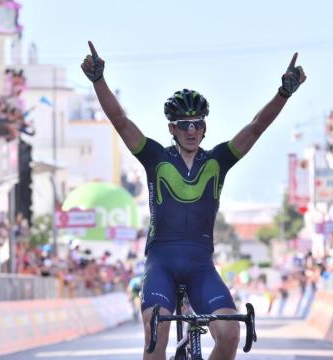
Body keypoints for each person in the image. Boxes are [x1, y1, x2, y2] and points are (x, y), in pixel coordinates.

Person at [81, 40, 306, 359]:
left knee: (229, 334)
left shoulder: (217, 160)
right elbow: (120, 120)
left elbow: (256, 128)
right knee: (155, 334)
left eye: (198, 123)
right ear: (172, 128)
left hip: (201, 264)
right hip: (162, 262)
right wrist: (98, 80)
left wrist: (283, 93)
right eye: (184, 125)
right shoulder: (155, 157)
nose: (192, 130)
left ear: (205, 126)